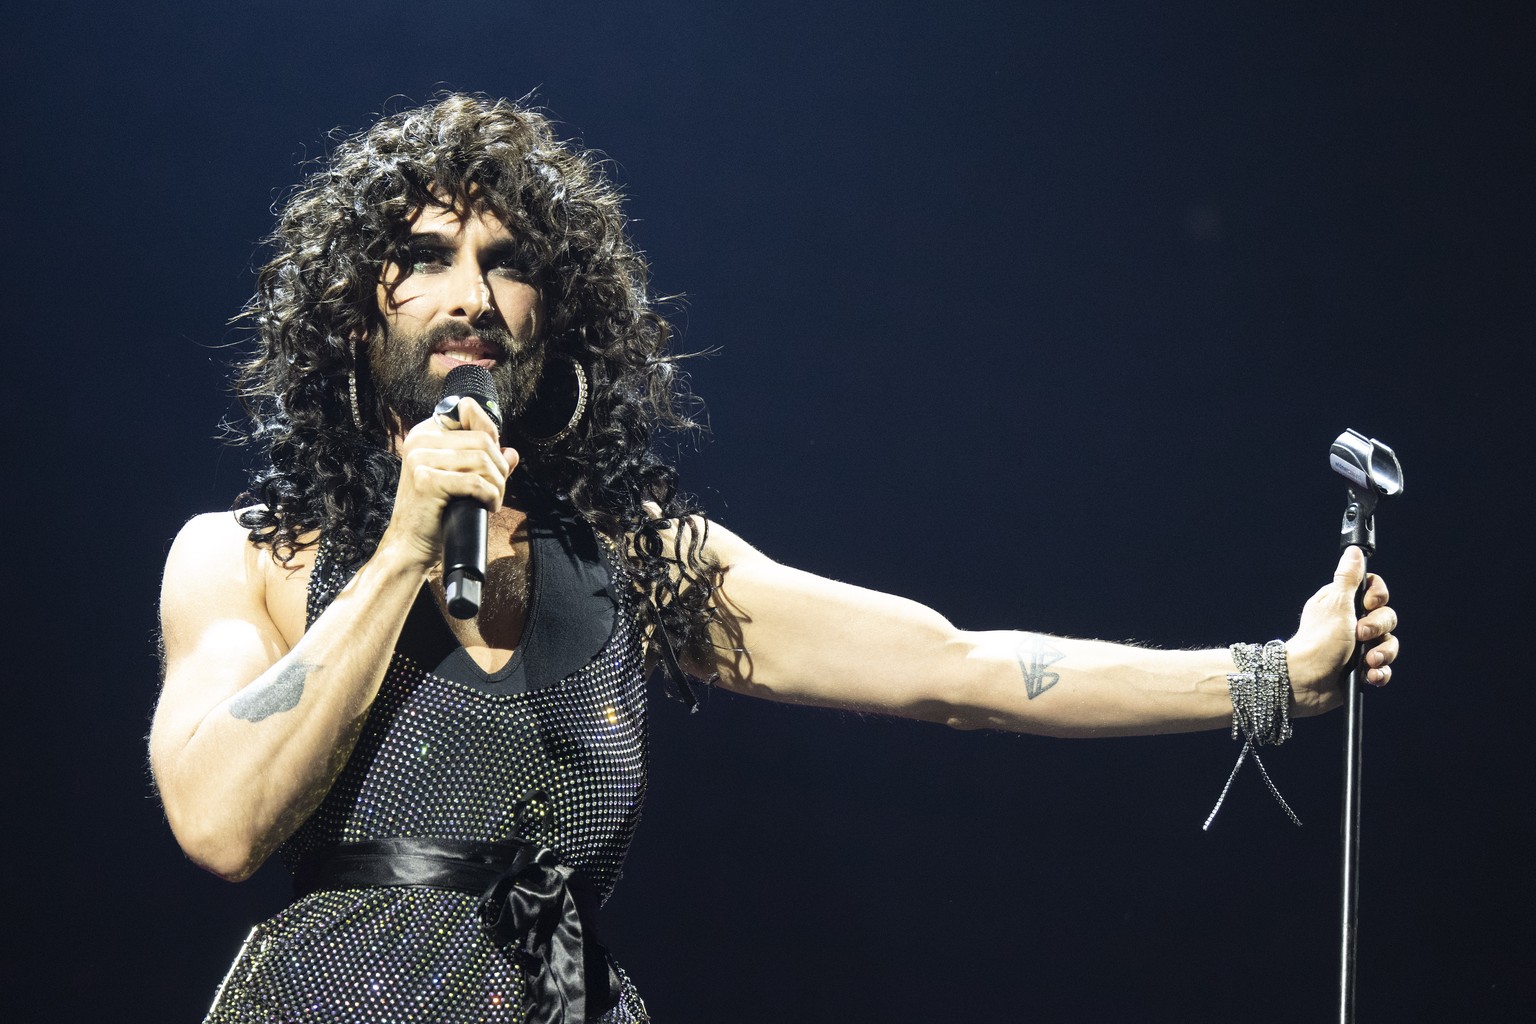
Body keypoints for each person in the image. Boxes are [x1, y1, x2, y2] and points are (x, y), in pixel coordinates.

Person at [149, 93, 1400, 1024]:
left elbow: (950, 667)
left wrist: (1268, 678)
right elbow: (218, 819)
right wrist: (403, 552)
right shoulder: (244, 557)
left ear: (554, 311)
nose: (469, 292)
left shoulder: (635, 564)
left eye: (507, 261)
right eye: (423, 257)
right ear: (359, 305)